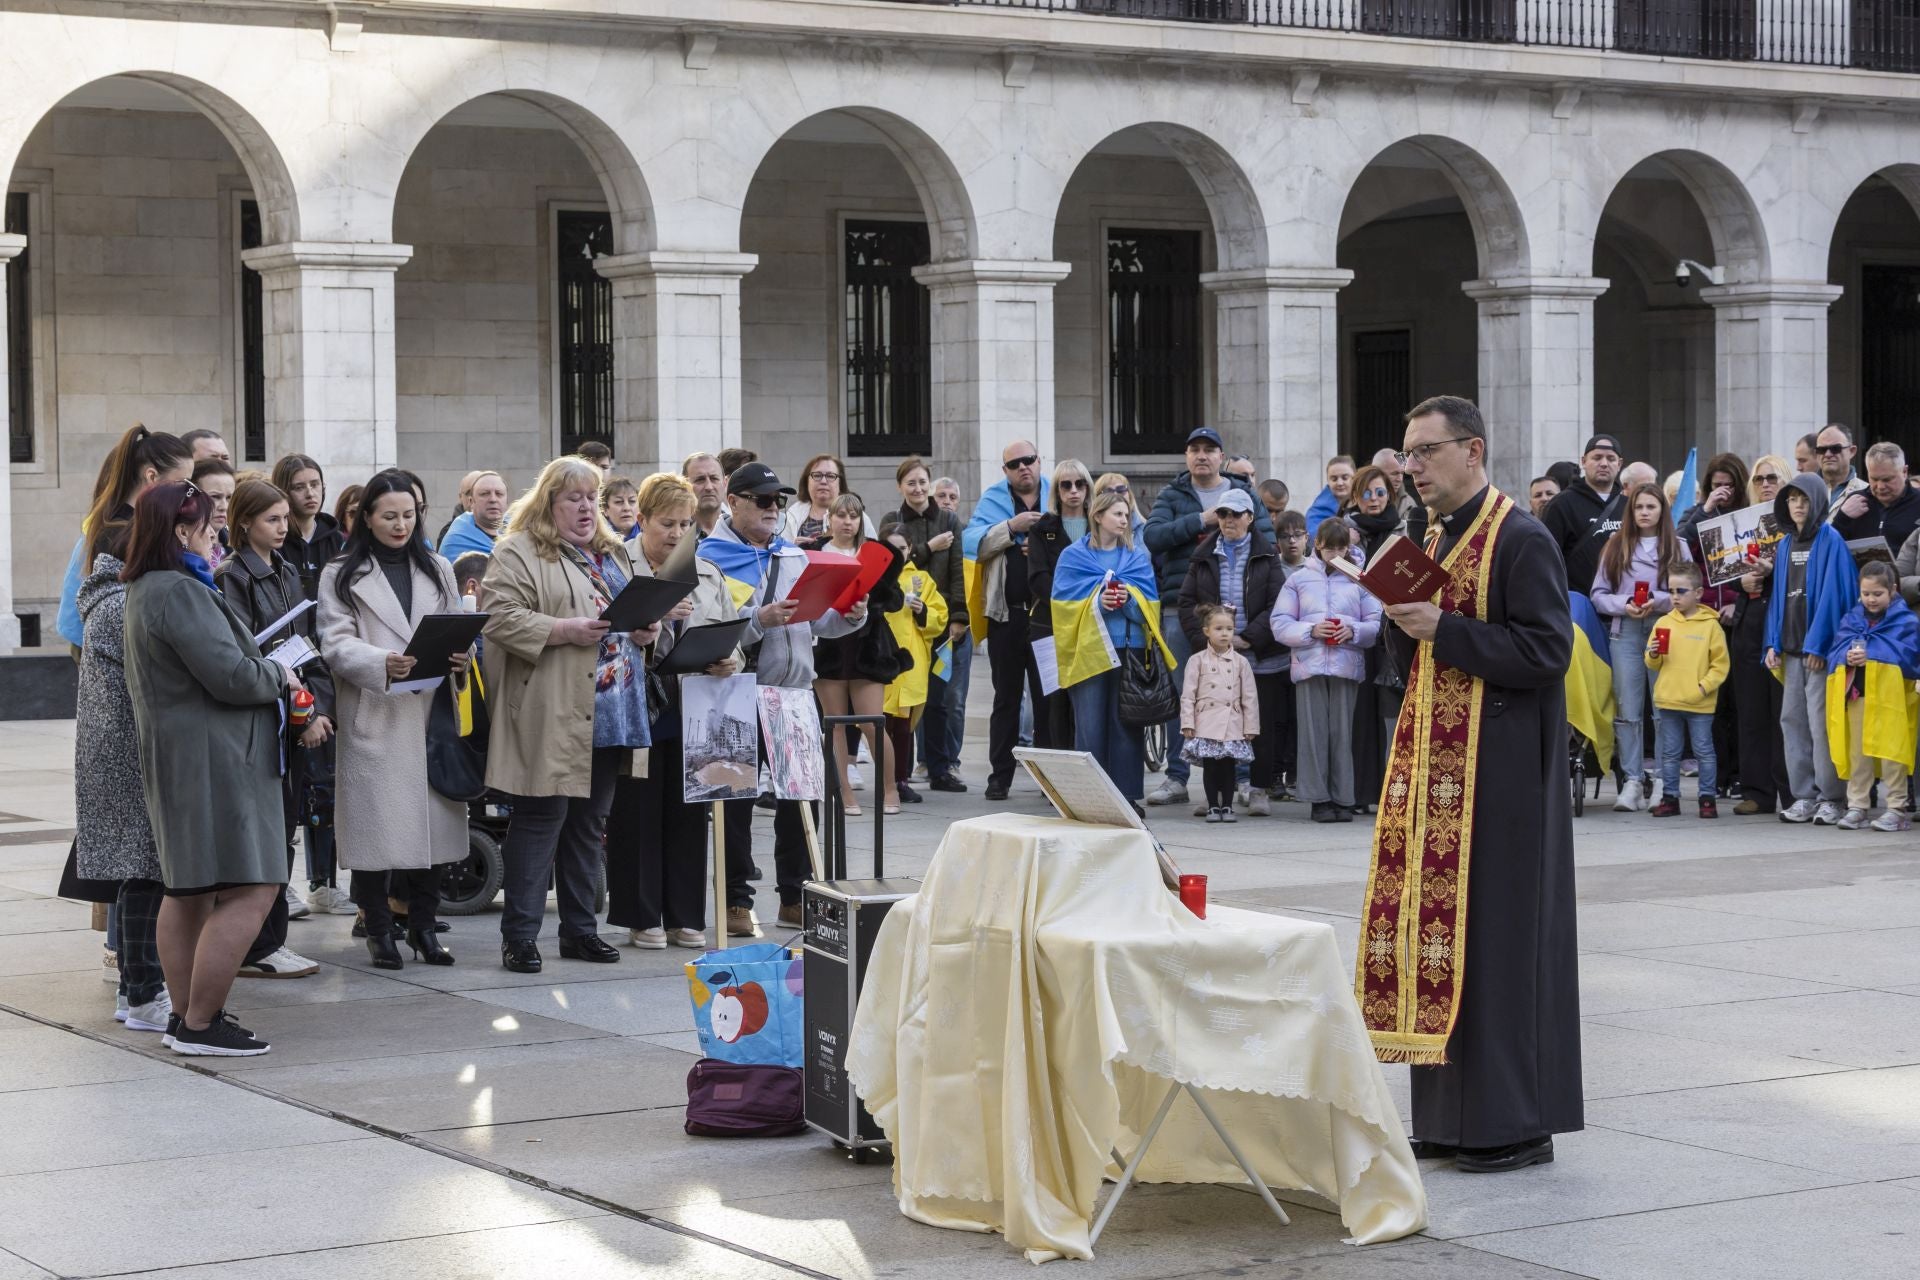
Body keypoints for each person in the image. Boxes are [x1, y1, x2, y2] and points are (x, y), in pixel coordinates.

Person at [1365, 394, 1580, 1173]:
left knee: (1498, 940)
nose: (1411, 466)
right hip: (1433, 775)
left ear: (1473, 450)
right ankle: (1450, 1120)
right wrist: (1404, 628)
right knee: (1439, 942)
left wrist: (1442, 629)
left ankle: (1513, 1126)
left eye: (1425, 451)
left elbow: (1547, 652)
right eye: (1407, 452)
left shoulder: (1520, 539)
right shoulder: (1429, 536)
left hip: (1504, 776)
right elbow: (1417, 660)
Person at [122, 482, 297, 1057]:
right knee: (255, 884)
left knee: (190, 889)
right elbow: (231, 675)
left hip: (186, 759)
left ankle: (185, 1018)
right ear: (179, 531)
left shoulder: (150, 588)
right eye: (206, 523)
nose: (216, 531)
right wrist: (278, 674)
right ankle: (201, 1023)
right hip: (215, 763)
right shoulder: (179, 591)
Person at [483, 456, 661, 972]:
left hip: (610, 707)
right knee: (542, 818)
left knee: (590, 823)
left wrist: (643, 631)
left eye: (591, 497)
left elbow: (622, 619)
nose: (585, 507)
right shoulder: (519, 550)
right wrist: (561, 630)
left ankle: (580, 931)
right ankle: (519, 935)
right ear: (548, 503)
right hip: (553, 706)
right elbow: (497, 617)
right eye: (572, 498)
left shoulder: (612, 553)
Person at [701, 463, 866, 932]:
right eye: (763, 500)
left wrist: (851, 615)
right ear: (734, 502)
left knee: (802, 797)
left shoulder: (793, 554)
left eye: (778, 500)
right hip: (737, 690)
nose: (774, 508)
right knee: (732, 798)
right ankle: (735, 899)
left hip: (793, 691)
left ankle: (795, 895)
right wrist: (759, 619)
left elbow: (816, 621)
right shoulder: (710, 557)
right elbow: (710, 629)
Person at [317, 470, 470, 969]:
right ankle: (379, 927)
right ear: (366, 517)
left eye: (409, 515)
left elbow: (454, 627)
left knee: (434, 831)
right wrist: (380, 662)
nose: (400, 525)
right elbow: (335, 641)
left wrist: (461, 655)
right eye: (389, 516)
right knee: (373, 834)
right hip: (376, 713)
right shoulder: (341, 572)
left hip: (429, 714)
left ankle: (424, 928)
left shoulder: (439, 568)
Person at [605, 474, 738, 949]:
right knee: (638, 814)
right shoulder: (618, 565)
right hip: (639, 705)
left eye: (686, 524)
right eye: (667, 523)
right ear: (640, 519)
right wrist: (657, 620)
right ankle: (643, 915)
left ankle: (685, 914)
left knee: (688, 816)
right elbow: (609, 634)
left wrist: (729, 659)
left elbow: (729, 631)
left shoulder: (707, 572)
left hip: (696, 707)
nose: (678, 533)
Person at [218, 479, 338, 955]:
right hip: (262, 716)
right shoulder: (234, 575)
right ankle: (260, 944)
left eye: (285, 518)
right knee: (267, 832)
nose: (283, 527)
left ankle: (273, 939)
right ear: (245, 522)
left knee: (288, 823)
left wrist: (316, 708)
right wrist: (299, 711)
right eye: (272, 519)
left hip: (295, 709)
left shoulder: (287, 569)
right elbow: (245, 652)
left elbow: (307, 647)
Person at [1142, 427, 1273, 811]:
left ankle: (1243, 780)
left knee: (1237, 695)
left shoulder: (1244, 493)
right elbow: (1153, 536)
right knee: (1185, 692)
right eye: (1195, 450)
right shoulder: (1172, 495)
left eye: (1209, 450)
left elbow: (1265, 538)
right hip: (1183, 607)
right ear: (1186, 456)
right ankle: (1177, 777)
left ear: (1221, 457)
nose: (1202, 456)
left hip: (1236, 610)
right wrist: (1201, 519)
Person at [74, 524, 170, 1033]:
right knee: (145, 876)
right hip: (126, 758)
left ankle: (139, 993)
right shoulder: (119, 607)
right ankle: (143, 993)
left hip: (119, 756)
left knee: (141, 874)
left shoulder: (112, 599)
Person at [1050, 487, 1167, 806]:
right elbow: (1060, 607)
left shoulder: (1136, 557)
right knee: (1089, 727)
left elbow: (1151, 605)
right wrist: (1097, 603)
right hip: (1088, 652)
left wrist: (1128, 600)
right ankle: (1090, 801)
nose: (1124, 519)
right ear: (1098, 516)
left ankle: (1127, 799)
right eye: (1117, 514)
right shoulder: (1072, 556)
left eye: (1127, 515)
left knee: (1127, 726)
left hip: (1128, 650)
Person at [1175, 487, 1283, 816]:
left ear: (1250, 518)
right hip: (1215, 658)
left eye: (1236, 514)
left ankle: (1258, 788)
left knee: (1257, 725)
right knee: (1214, 729)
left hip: (1256, 656)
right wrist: (1207, 642)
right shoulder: (1203, 554)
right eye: (1223, 514)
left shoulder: (1267, 554)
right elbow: (1186, 603)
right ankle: (1215, 798)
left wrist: (1248, 638)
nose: (1228, 520)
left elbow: (1276, 603)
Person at [1273, 518, 1380, 823]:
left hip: (1347, 665)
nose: (1334, 553)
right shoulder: (1298, 579)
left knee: (1343, 734)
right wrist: (1311, 630)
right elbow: (1280, 624)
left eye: (1340, 547)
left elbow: (1376, 621)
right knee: (1313, 732)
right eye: (1328, 547)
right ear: (1316, 544)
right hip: (1310, 665)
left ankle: (1344, 798)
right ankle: (1318, 799)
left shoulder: (1360, 580)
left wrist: (1354, 631)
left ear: (1349, 547)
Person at [1766, 473, 1858, 826]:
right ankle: (1803, 796)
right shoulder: (1786, 544)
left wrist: (1819, 645)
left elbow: (1836, 598)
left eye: (1804, 499)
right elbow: (1779, 598)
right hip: (1790, 651)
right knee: (1792, 722)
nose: (1799, 505)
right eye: (1792, 499)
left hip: (1817, 653)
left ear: (1818, 501)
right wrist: (1772, 643)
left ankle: (1831, 796)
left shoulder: (1830, 540)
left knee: (1822, 725)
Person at [1591, 481, 1690, 810]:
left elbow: (1689, 593)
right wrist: (1625, 605)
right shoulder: (1615, 546)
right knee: (1628, 709)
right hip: (1627, 630)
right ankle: (1633, 779)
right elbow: (1598, 595)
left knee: (1664, 709)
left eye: (1651, 506)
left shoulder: (1677, 546)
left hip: (1666, 631)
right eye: (1639, 507)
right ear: (1630, 511)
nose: (1645, 512)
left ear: (1662, 510)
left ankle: (1664, 779)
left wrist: (1660, 601)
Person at [811, 494, 911, 813]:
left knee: (872, 722)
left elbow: (894, 600)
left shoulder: (874, 554)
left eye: (853, 515)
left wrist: (869, 598)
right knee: (835, 723)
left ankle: (890, 789)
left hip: (867, 645)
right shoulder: (813, 552)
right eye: (840, 515)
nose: (847, 521)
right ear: (830, 519)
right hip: (828, 646)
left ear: (861, 520)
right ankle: (844, 794)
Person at [965, 441, 1053, 801]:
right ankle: (999, 776)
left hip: (1048, 618)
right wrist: (1010, 527)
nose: (1023, 468)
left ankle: (1051, 778)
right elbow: (972, 543)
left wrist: (1045, 547)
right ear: (1005, 471)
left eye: (1028, 460)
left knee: (1049, 700)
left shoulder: (1057, 490)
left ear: (1038, 461)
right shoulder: (993, 500)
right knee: (1006, 699)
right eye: (1014, 464)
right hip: (1007, 614)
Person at [56, 425, 194, 649]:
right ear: (152, 476)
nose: (188, 494)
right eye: (183, 484)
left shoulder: (117, 523)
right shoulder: (123, 534)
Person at [883, 456, 970, 792]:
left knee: (939, 698)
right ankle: (899, 772)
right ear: (900, 487)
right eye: (911, 483)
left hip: (939, 618)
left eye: (922, 482)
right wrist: (928, 547)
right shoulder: (893, 519)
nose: (918, 489)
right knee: (900, 701)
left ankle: (939, 767)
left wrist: (958, 617)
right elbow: (893, 560)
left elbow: (958, 570)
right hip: (902, 624)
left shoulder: (948, 519)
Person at [1823, 560, 1920, 832]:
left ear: (1893, 590)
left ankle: (1896, 808)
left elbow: (1911, 659)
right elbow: (1835, 651)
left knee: (1893, 753)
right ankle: (1858, 806)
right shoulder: (1851, 619)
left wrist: (1873, 655)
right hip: (1859, 696)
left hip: (1892, 700)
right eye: (1866, 594)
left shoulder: (1906, 621)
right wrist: (1847, 656)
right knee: (1858, 754)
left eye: (1877, 594)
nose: (1871, 599)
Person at [1728, 456, 1792, 815]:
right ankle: (1757, 790)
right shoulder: (1742, 523)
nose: (1766, 483)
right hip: (1749, 617)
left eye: (1773, 477)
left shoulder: (1796, 523)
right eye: (1759, 478)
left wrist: (1773, 570)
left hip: (1783, 620)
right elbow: (1715, 572)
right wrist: (1742, 580)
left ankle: (1790, 790)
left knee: (1784, 712)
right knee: (1751, 709)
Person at [1643, 562, 1728, 819]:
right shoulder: (1663, 623)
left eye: (1681, 591)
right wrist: (1654, 653)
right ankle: (1670, 797)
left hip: (1699, 702)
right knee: (1669, 753)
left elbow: (1721, 665)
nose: (1675, 597)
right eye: (1671, 591)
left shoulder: (1711, 625)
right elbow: (1651, 661)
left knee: (1704, 751)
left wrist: (1702, 688)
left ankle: (1706, 797)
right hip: (1669, 699)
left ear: (1699, 593)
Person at [1347, 463, 1407, 814]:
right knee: (1359, 717)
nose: (1373, 499)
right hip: (1354, 637)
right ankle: (1359, 792)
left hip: (1388, 637)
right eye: (1366, 493)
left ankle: (1391, 791)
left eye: (1380, 492)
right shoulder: (1345, 532)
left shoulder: (1403, 530)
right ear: (1355, 497)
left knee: (1389, 717)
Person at [1024, 459, 1094, 751]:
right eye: (1066, 484)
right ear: (1056, 490)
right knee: (1055, 698)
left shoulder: (1099, 522)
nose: (1074, 491)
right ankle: (1058, 773)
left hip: (1094, 620)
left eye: (1080, 484)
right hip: (1050, 622)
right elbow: (1038, 576)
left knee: (1089, 697)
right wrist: (1073, 602)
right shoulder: (1043, 528)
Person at [880, 522, 949, 807]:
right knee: (878, 723)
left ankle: (900, 780)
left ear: (910, 550)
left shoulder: (922, 579)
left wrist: (924, 614)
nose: (897, 554)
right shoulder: (877, 577)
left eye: (903, 548)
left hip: (910, 664)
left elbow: (939, 617)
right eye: (891, 548)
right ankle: (884, 780)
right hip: (880, 660)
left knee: (903, 726)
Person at [1181, 603, 1260, 823]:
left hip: (1232, 722)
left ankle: (1227, 806)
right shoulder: (1196, 661)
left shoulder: (1241, 662)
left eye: (1229, 628)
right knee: (1210, 767)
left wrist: (1251, 726)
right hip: (1206, 722)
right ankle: (1212, 806)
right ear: (1206, 631)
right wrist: (1188, 722)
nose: (1224, 633)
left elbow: (1250, 697)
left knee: (1228, 767)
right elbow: (1188, 694)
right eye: (1218, 628)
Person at [1542, 433, 1625, 598]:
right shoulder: (1561, 504)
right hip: (1577, 605)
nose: (1604, 463)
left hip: (1622, 606)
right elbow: (1545, 558)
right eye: (1597, 458)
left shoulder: (1629, 505)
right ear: (1583, 461)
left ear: (1620, 464)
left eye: (1610, 458)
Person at [930, 474, 973, 779]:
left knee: (955, 699)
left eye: (952, 497)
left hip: (961, 628)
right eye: (941, 496)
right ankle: (928, 758)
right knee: (928, 698)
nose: (947, 501)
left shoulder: (968, 536)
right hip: (931, 627)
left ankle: (952, 759)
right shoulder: (929, 536)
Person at [272, 454, 346, 601]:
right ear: (283, 491)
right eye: (299, 487)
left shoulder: (336, 539)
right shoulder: (274, 540)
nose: (310, 494)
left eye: (314, 484)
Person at [1832, 442, 1920, 555]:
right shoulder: (1854, 501)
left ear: (1904, 472)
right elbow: (1829, 549)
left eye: (1887, 479)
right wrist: (1842, 518)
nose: (1880, 487)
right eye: (1874, 479)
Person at [783, 452, 875, 542]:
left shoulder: (857, 516)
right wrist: (793, 549)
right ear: (807, 481)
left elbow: (874, 552)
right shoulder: (793, 515)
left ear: (840, 483)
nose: (823, 481)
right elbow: (777, 552)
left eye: (830, 476)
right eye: (817, 475)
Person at [440, 471, 509, 560]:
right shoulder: (456, 540)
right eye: (484, 494)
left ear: (507, 501)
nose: (493, 499)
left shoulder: (520, 533)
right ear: (471, 502)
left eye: (499, 494)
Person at [1812, 423, 1868, 517]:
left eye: (1835, 448)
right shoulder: (1802, 491)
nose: (1828, 454)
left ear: (1852, 451)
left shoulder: (1866, 492)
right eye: (1822, 449)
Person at [192, 459, 236, 571]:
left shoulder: (238, 544)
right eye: (215, 497)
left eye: (229, 498)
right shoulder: (183, 548)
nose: (224, 506)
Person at [1302, 454, 1355, 536]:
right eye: (1334, 479)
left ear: (1355, 477)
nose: (1340, 483)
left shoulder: (1367, 502)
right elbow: (1314, 538)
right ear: (1328, 480)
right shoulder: (1317, 512)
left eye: (1345, 478)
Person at [437, 470, 484, 547]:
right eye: (470, 492)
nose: (475, 497)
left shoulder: (504, 529)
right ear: (460, 497)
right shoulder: (449, 532)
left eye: (483, 493)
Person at [684, 452, 726, 535]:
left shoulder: (742, 531)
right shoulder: (676, 535)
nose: (709, 487)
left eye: (714, 478)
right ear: (685, 486)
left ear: (725, 483)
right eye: (700, 480)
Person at [600, 474, 640, 541]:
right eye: (619, 502)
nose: (627, 508)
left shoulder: (650, 536)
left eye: (632, 501)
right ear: (605, 509)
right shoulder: (596, 540)